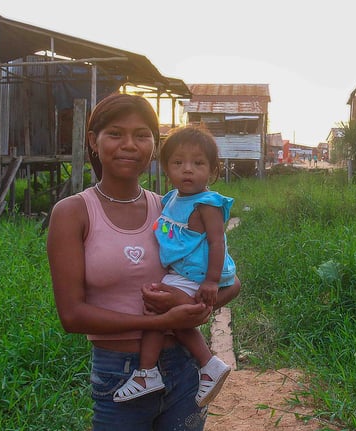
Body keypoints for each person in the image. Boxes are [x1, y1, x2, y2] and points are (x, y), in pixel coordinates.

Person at [47, 92, 239, 430]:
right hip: (119, 374)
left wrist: (190, 305)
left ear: (154, 144)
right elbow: (72, 316)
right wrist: (165, 319)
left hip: (183, 367)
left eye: (141, 135)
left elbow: (231, 282)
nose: (129, 145)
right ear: (94, 141)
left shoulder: (172, 207)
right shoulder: (73, 213)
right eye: (116, 134)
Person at [112, 124, 237, 407]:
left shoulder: (207, 203)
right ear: (166, 169)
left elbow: (218, 243)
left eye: (198, 163)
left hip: (198, 274)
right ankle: (197, 366)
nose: (188, 170)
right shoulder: (171, 200)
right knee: (165, 312)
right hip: (182, 272)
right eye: (178, 163)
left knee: (158, 308)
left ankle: (151, 372)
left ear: (213, 170)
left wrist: (211, 282)